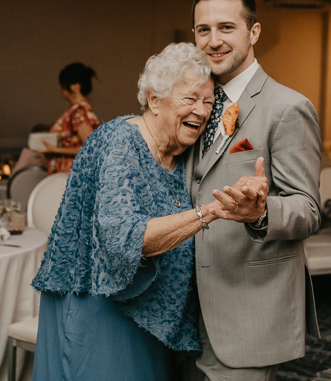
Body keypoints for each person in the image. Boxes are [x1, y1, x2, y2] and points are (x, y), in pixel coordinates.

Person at [31, 43, 267, 381]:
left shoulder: (183, 153)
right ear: (154, 99)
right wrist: (210, 212)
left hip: (150, 316)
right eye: (189, 99)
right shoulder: (121, 141)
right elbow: (123, 237)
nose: (200, 111)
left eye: (208, 102)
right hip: (99, 309)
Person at [186, 0, 322, 380]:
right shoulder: (197, 102)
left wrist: (261, 212)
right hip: (186, 310)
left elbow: (309, 210)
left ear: (254, 32)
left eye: (227, 27)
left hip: (247, 307)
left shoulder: (288, 107)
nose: (214, 41)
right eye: (203, 30)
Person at [38, 63, 101, 174]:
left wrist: (55, 150)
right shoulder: (76, 111)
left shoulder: (80, 112)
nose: (60, 88)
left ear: (74, 86)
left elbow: (90, 147)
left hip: (72, 176)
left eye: (63, 84)